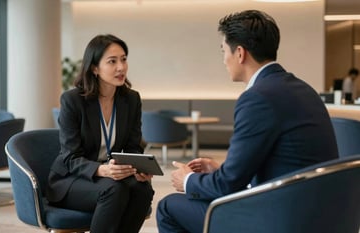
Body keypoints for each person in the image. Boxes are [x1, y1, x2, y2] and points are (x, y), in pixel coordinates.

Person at [156, 10, 339, 233]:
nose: (224, 59)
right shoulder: (302, 89)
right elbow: (280, 161)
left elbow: (227, 186)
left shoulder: (258, 98)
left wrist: (189, 180)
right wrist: (220, 170)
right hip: (321, 213)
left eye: (224, 51)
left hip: (281, 219)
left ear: (240, 53)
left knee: (168, 206)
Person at [46, 34, 154, 233]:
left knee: (142, 190)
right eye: (112, 61)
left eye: (123, 59)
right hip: (71, 179)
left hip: (110, 176)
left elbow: (132, 146)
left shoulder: (131, 99)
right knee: (114, 189)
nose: (121, 67)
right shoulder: (72, 101)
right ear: (94, 68)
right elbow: (70, 157)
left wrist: (138, 168)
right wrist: (101, 170)